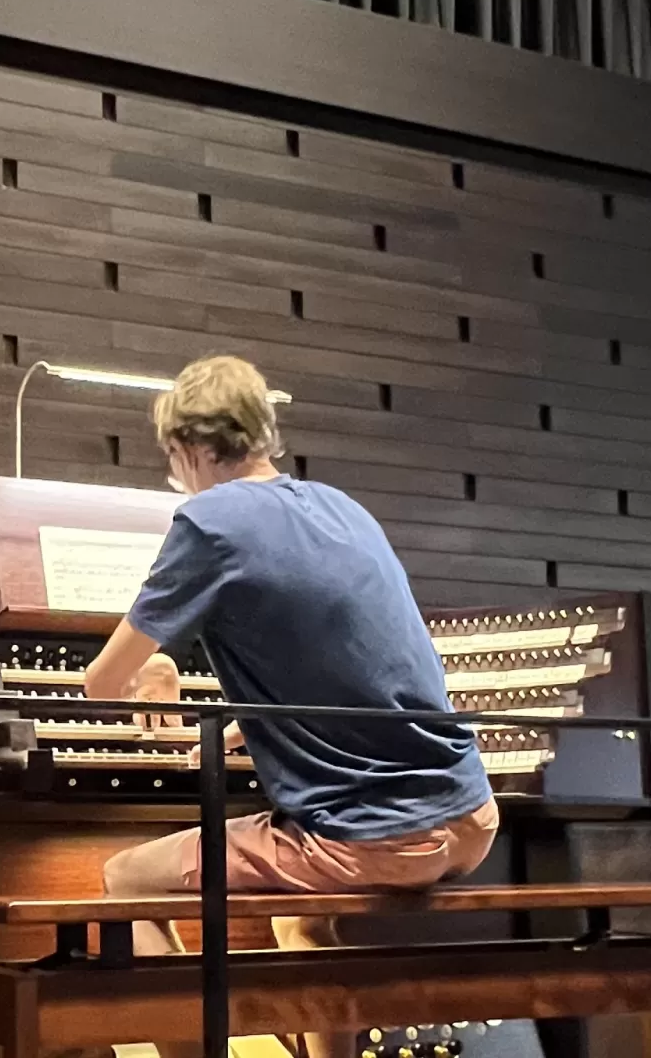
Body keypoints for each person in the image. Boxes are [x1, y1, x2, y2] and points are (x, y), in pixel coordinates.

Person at [84, 355, 497, 966]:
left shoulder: (210, 521)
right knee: (301, 922)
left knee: (127, 879)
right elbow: (351, 661)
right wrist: (244, 725)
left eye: (171, 459)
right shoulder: (340, 507)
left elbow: (99, 684)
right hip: (471, 818)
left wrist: (153, 667)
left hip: (377, 838)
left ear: (188, 446)